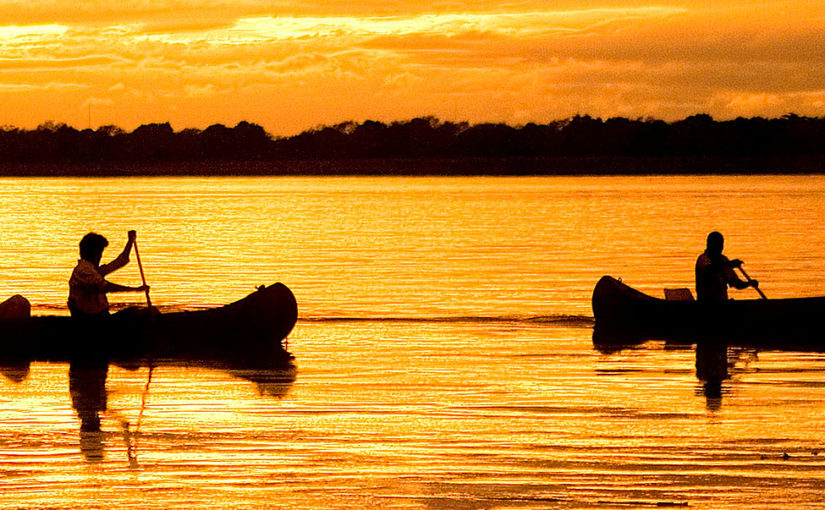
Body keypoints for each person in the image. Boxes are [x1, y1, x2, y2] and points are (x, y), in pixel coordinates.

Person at [68, 230, 149, 318]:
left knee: (140, 312)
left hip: (101, 316)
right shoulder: (84, 270)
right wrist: (135, 289)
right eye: (99, 252)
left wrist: (130, 242)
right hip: (91, 319)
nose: (100, 256)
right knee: (135, 312)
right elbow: (105, 286)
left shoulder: (93, 270)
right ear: (94, 253)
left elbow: (120, 261)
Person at [695, 231, 758, 302]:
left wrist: (749, 283)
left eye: (720, 245)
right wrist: (729, 264)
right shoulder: (704, 259)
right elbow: (711, 270)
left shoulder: (723, 260)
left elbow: (737, 283)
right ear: (709, 245)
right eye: (716, 245)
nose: (720, 247)